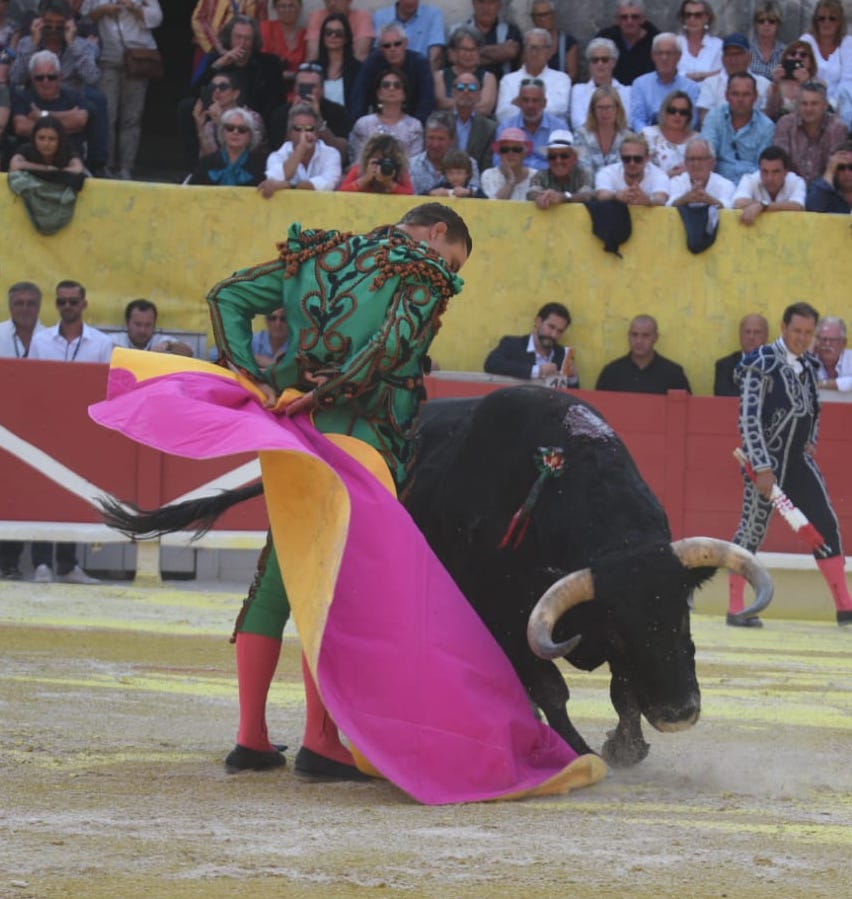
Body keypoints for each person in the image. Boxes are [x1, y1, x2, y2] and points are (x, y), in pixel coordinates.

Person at [201, 202, 471, 776]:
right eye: (452, 257)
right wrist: (327, 395)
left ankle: (251, 737)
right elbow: (389, 351)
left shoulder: (319, 255)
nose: (448, 268)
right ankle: (321, 740)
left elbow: (226, 296)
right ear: (438, 233)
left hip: (297, 437)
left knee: (278, 571)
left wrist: (251, 377)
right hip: (362, 439)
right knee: (335, 585)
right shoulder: (420, 273)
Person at [728, 301, 852, 628]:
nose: (802, 338)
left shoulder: (810, 364)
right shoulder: (760, 363)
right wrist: (762, 466)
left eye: (808, 333)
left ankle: (845, 607)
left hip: (797, 461)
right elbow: (749, 419)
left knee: (826, 525)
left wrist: (811, 438)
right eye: (796, 331)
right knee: (752, 529)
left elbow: (815, 408)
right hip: (765, 461)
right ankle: (736, 607)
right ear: (783, 328)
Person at [26, 279, 111, 585]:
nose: (67, 307)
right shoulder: (41, 342)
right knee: (42, 494)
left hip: (80, 429)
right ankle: (41, 564)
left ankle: (67, 564)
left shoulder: (101, 343)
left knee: (75, 495)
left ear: (84, 304)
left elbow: (103, 388)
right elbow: (32, 386)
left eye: (73, 302)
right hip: (46, 428)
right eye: (61, 302)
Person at [80, 0, 162, 181]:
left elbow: (157, 18)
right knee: (107, 115)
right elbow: (84, 16)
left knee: (132, 117)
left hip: (137, 57)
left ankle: (126, 168)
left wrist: (133, 7)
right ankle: (106, 166)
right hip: (107, 57)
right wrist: (103, 10)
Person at [0, 281, 46, 581]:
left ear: (39, 306)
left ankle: (45, 562)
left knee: (43, 494)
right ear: (10, 305)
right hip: (5, 424)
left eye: (31, 303)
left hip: (42, 426)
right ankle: (8, 563)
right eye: (20, 303)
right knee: (8, 495)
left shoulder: (50, 338)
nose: (25, 309)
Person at [11, 49, 88, 161]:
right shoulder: (22, 97)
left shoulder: (74, 96)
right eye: (39, 78)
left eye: (51, 77)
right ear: (32, 79)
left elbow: (80, 120)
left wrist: (41, 115)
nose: (45, 82)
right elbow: (21, 127)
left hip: (69, 159)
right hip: (31, 160)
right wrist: (67, 118)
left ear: (60, 77)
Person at [348, 21, 434, 123]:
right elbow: (359, 98)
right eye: (387, 46)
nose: (392, 49)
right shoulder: (372, 63)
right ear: (380, 48)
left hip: (414, 121)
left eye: (397, 44)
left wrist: (415, 127)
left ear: (406, 43)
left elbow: (427, 101)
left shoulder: (419, 63)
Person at [700, 72, 775, 184]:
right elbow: (707, 154)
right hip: (717, 183)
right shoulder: (714, 117)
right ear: (727, 96)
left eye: (746, 94)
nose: (740, 99)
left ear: (755, 97)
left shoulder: (766, 127)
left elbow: (764, 167)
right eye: (735, 94)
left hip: (752, 186)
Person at [483, 301, 578, 385]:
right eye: (551, 327)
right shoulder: (513, 345)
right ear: (538, 322)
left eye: (560, 331)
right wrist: (538, 371)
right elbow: (491, 364)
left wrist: (572, 378)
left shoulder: (562, 354)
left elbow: (574, 396)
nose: (554, 335)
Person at [773, 81, 848, 185]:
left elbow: (834, 169)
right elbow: (780, 162)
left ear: (825, 105)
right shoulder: (785, 124)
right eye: (804, 103)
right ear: (797, 105)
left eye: (814, 103)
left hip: (825, 188)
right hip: (790, 187)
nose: (809, 109)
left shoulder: (837, 128)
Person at [596, 314, 691, 394]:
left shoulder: (673, 374)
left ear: (656, 338)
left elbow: (685, 411)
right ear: (628, 336)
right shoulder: (611, 373)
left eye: (645, 336)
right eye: (634, 335)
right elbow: (597, 411)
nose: (639, 341)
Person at [259, 102, 340, 195]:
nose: (303, 133)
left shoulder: (331, 154)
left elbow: (327, 185)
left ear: (317, 134)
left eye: (309, 128)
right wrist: (301, 148)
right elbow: (273, 182)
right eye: (298, 128)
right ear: (290, 133)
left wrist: (289, 186)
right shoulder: (277, 156)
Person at [348, 66, 423, 165]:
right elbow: (358, 161)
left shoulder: (414, 126)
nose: (391, 88)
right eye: (386, 85)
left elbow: (415, 164)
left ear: (404, 94)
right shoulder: (364, 124)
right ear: (379, 93)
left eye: (397, 85)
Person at [495, 29, 571, 123]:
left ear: (548, 53)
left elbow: (560, 108)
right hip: (517, 134)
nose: (534, 53)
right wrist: (539, 105)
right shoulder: (508, 80)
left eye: (539, 49)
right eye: (531, 48)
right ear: (524, 51)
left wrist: (520, 103)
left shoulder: (561, 79)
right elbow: (502, 114)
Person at [629, 32, 699, 132]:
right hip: (648, 141)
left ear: (679, 56)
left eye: (669, 53)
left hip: (680, 140)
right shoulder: (640, 84)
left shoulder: (692, 88)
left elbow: (692, 121)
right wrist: (651, 137)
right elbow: (637, 119)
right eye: (660, 53)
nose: (664, 58)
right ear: (653, 56)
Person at [695, 33, 771, 124]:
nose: (734, 60)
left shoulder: (764, 84)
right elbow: (706, 119)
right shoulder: (710, 84)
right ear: (722, 59)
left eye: (738, 54)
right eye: (729, 55)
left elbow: (765, 120)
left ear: (750, 57)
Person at [493, 76, 563, 171]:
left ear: (544, 103)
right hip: (516, 177)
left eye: (535, 100)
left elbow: (563, 162)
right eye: (526, 100)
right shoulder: (506, 127)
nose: (530, 105)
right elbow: (498, 162)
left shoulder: (559, 127)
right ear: (518, 102)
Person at [192, 70, 266, 159]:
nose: (217, 91)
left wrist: (220, 123)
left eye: (223, 87)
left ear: (235, 94)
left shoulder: (252, 117)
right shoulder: (210, 124)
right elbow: (208, 160)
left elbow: (243, 155)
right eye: (212, 87)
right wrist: (200, 127)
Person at [189, 106, 266, 186]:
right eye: (230, 128)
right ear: (222, 133)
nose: (235, 132)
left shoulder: (263, 165)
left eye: (242, 130)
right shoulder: (206, 163)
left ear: (250, 136)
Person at [569, 38, 630, 135]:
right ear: (589, 64)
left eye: (604, 60)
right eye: (595, 60)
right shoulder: (578, 90)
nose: (599, 64)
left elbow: (627, 121)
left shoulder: (627, 92)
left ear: (613, 62)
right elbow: (578, 122)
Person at [409, 110, 479, 195]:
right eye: (431, 138)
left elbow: (478, 197)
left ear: (452, 140)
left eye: (441, 139)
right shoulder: (411, 165)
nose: (435, 144)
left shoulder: (469, 163)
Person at [732, 144, 805, 225]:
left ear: (786, 172)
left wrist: (762, 206)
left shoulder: (796, 181)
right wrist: (763, 205)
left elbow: (798, 206)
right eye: (765, 171)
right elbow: (738, 203)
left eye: (776, 172)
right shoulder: (749, 179)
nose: (769, 178)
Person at [799, 0, 852, 108]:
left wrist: (831, 104)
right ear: (816, 21)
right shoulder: (806, 41)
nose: (826, 22)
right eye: (821, 18)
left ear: (839, 22)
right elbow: (799, 72)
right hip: (808, 101)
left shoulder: (848, 43)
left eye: (832, 18)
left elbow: (848, 82)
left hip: (840, 105)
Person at [433, 25, 495, 117]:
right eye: (464, 49)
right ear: (454, 51)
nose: (468, 54)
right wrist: (472, 105)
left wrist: (457, 105)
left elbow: (485, 108)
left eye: (473, 50)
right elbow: (441, 103)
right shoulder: (440, 76)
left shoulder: (488, 78)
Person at [594, 131, 669, 206]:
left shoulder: (658, 174)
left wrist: (647, 200)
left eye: (637, 159)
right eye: (626, 159)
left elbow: (661, 199)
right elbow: (602, 195)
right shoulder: (607, 172)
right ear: (621, 158)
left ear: (647, 158)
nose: (632, 163)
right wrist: (616, 196)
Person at [595, 0, 660, 87]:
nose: (629, 21)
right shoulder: (605, 38)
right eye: (624, 17)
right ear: (617, 20)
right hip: (612, 94)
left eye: (635, 17)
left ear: (643, 19)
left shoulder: (657, 41)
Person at [574, 84, 629, 181]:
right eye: (600, 108)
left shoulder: (628, 137)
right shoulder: (581, 135)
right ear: (593, 110)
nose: (604, 113)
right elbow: (582, 168)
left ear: (618, 109)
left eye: (609, 107)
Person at [526, 128, 592, 208]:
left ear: (574, 158)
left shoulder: (584, 174)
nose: (558, 161)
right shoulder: (541, 175)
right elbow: (531, 192)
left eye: (564, 156)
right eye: (552, 157)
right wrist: (540, 197)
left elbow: (587, 196)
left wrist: (563, 197)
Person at [372, 0, 445, 71]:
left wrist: (428, 78)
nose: (411, 1)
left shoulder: (433, 14)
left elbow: (436, 54)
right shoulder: (381, 17)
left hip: (421, 72)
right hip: (390, 73)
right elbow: (379, 53)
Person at [461, 0, 522, 81]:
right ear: (473, 3)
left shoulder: (511, 30)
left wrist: (468, 54)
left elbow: (510, 52)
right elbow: (454, 57)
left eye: (492, 2)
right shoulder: (460, 30)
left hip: (501, 88)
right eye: (481, 2)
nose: (486, 8)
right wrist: (499, 54)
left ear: (499, 5)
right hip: (466, 89)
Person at [666, 137, 735, 209]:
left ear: (712, 162)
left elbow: (728, 207)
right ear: (685, 163)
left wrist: (708, 200)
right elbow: (669, 205)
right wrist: (685, 199)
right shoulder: (676, 182)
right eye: (692, 159)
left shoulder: (725, 185)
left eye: (701, 159)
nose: (696, 164)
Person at [641, 88, 696, 177]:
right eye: (672, 111)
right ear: (664, 112)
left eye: (683, 112)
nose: (677, 115)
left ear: (689, 116)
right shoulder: (648, 135)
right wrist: (671, 174)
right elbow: (639, 170)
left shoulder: (698, 140)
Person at [338, 131, 414, 193]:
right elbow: (342, 193)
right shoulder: (358, 170)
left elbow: (409, 194)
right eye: (378, 161)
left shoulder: (401, 173)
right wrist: (365, 179)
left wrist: (389, 183)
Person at [450, 71, 496, 174]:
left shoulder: (490, 128)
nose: (466, 91)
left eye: (472, 88)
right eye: (461, 87)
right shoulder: (441, 122)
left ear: (479, 94)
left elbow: (487, 166)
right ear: (453, 92)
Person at [313, 11, 361, 110]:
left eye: (338, 34)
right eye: (328, 33)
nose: (333, 36)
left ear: (346, 38)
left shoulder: (357, 69)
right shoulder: (313, 68)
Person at [713, 312, 769, 396]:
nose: (751, 337)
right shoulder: (725, 366)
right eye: (747, 332)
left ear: (766, 336)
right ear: (740, 334)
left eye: (757, 332)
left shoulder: (777, 365)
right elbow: (724, 398)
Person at [112, 299, 193, 356]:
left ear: (154, 325)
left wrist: (169, 346)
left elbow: (189, 352)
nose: (142, 330)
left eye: (148, 325)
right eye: (138, 324)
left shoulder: (160, 341)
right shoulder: (115, 340)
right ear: (127, 322)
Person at [763, 39, 819, 122]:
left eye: (803, 55)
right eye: (793, 54)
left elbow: (817, 112)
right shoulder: (777, 83)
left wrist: (805, 84)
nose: (797, 57)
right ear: (786, 57)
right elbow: (770, 113)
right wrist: (776, 84)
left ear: (810, 62)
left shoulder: (818, 84)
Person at [260, 0, 306, 97]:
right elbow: (261, 63)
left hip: (297, 93)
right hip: (269, 90)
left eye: (291, 6)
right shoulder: (265, 28)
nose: (287, 10)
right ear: (275, 8)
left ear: (300, 8)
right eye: (282, 6)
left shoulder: (306, 36)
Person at [190, 0, 266, 60]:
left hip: (243, 52)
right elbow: (199, 18)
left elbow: (260, 25)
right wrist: (216, 47)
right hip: (210, 49)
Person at [305, 0, 374, 62]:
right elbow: (313, 55)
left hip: (352, 71)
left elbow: (360, 55)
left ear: (349, 1)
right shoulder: (317, 16)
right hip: (322, 69)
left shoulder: (362, 16)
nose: (332, 3)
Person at [529, 0, 578, 82]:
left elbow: (573, 75)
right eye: (539, 15)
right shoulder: (528, 42)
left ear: (553, 15)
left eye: (546, 14)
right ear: (533, 18)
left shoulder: (568, 42)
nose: (543, 19)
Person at [675, 0, 721, 83]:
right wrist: (698, 76)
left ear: (707, 17)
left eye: (698, 15)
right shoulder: (674, 44)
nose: (692, 19)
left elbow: (721, 75)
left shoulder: (718, 46)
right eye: (688, 15)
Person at [481, 127, 533, 200]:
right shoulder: (489, 175)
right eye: (505, 150)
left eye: (516, 149)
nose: (510, 153)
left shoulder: (535, 176)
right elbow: (493, 208)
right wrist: (510, 182)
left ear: (525, 153)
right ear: (500, 154)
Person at [806, 141, 852, 213]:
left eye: (851, 167)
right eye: (840, 167)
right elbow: (812, 210)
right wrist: (829, 171)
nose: (847, 173)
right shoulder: (824, 193)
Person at [814, 315, 852, 393]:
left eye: (833, 340)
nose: (827, 344)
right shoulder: (808, 361)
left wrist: (826, 384)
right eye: (823, 339)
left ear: (844, 343)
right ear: (816, 341)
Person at [749, 1, 785, 81]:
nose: (766, 24)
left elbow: (801, 69)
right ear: (755, 24)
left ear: (778, 24)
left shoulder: (788, 52)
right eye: (761, 21)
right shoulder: (746, 50)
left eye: (771, 21)